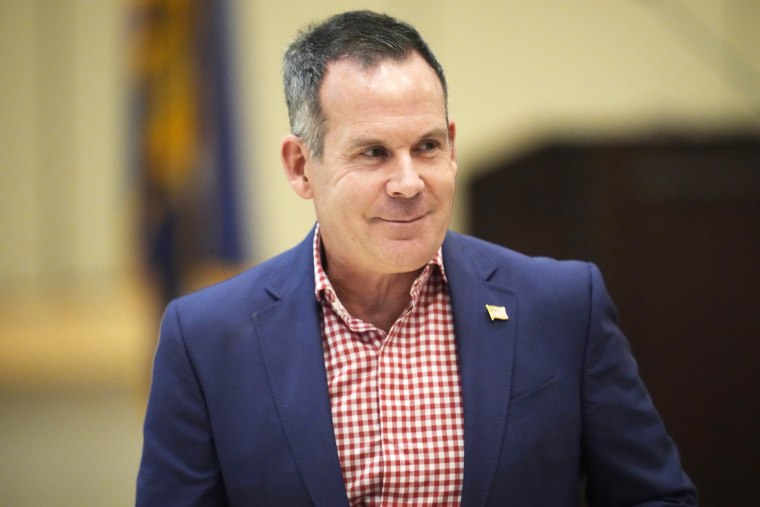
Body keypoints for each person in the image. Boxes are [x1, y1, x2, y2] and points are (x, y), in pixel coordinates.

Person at [136, 10, 697, 506]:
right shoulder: (206, 338)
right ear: (301, 167)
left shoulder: (563, 306)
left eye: (427, 147)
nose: (409, 183)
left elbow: (656, 496)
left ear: (452, 143)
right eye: (374, 152)